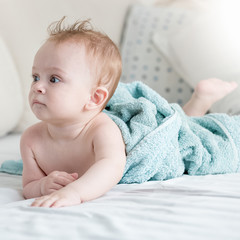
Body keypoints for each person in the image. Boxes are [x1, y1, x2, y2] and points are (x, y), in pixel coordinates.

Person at [20, 17, 239, 208]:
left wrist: (74, 192)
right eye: (36, 77)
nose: (38, 87)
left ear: (94, 98)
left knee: (185, 133)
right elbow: (29, 185)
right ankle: (200, 100)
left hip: (148, 137)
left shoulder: (101, 129)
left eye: (54, 79)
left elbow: (111, 166)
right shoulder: (31, 140)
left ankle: (201, 99)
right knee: (185, 126)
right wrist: (42, 186)